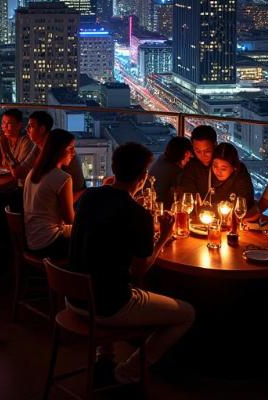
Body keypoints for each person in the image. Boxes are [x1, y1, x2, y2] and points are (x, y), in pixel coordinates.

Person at [68, 142, 195, 385]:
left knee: (104, 273)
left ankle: (104, 358)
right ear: (143, 177)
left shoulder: (89, 198)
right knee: (187, 314)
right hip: (108, 307)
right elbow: (140, 270)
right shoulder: (138, 214)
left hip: (73, 298)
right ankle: (127, 372)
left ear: (114, 169)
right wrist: (165, 236)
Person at [23, 129, 76, 258]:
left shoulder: (32, 173)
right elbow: (70, 220)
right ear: (59, 150)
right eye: (71, 148)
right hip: (50, 243)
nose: (73, 153)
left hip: (32, 240)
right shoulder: (63, 178)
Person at [14, 110, 86, 194]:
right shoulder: (39, 145)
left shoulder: (54, 147)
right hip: (58, 190)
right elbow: (20, 171)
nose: (27, 129)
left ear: (42, 129)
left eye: (31, 126)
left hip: (74, 191)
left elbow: (20, 172)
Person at [178, 125, 253, 203]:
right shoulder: (191, 167)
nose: (202, 156)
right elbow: (187, 196)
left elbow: (245, 200)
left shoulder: (236, 168)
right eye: (198, 151)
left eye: (207, 151)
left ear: (215, 145)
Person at [148, 137, 193, 205]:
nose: (189, 159)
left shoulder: (161, 159)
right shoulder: (174, 171)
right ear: (185, 153)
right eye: (189, 155)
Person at [209, 142, 255, 207]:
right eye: (215, 166)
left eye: (223, 169)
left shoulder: (241, 178)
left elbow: (245, 204)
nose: (218, 171)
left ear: (234, 167)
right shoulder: (207, 173)